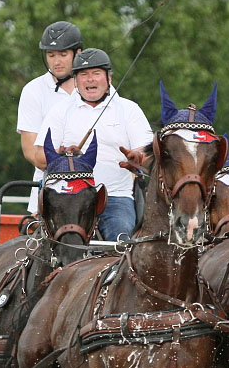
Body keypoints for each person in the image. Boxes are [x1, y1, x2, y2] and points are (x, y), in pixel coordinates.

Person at [35, 48, 153, 240]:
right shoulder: (60, 111)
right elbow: (39, 157)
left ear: (109, 79)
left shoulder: (130, 110)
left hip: (114, 197)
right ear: (75, 81)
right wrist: (62, 153)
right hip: (67, 198)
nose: (90, 79)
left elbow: (148, 153)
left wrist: (138, 157)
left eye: (96, 73)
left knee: (121, 238)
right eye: (83, 74)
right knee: (57, 247)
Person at [16, 21, 83, 212]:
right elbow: (31, 152)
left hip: (94, 183)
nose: (56, 61)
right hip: (48, 185)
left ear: (77, 54)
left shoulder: (97, 88)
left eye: (63, 54)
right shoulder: (33, 90)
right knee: (34, 241)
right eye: (51, 55)